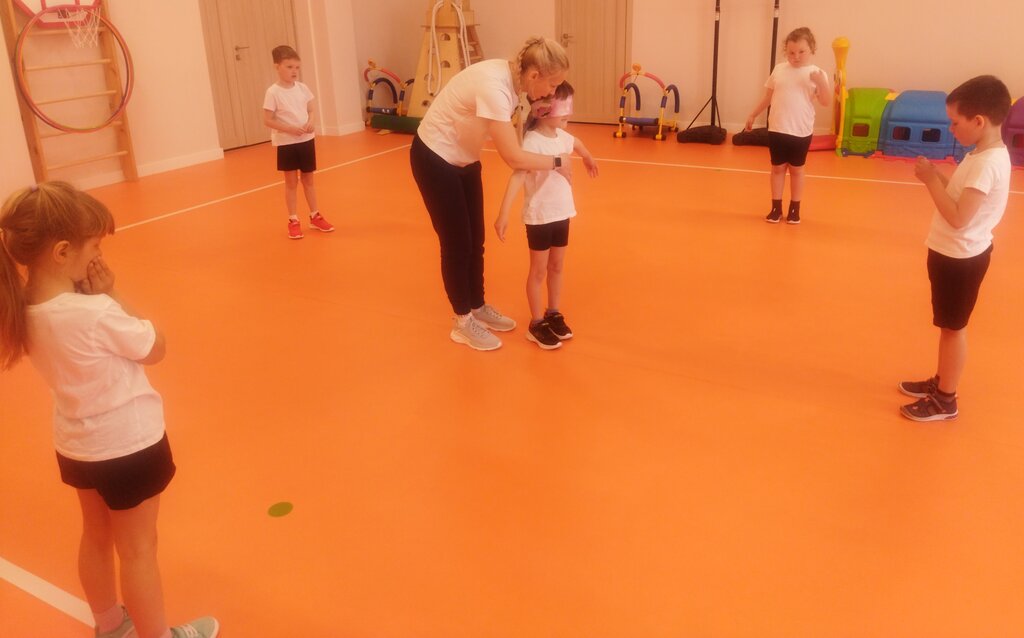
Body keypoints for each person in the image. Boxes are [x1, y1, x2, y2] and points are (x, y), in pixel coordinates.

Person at [0, 182, 219, 638]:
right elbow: (155, 347)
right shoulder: (95, 312)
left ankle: (110, 625)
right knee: (138, 551)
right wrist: (112, 292)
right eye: (95, 246)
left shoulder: (25, 308)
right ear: (62, 252)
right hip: (129, 445)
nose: (100, 255)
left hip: (77, 446)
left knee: (96, 536)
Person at [410, 36, 574, 351]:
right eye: (552, 85)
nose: (552, 93)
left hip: (465, 158)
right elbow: (513, 157)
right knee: (457, 243)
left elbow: (514, 131)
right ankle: (463, 321)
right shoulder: (494, 87)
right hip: (435, 157)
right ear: (534, 75)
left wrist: (536, 110)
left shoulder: (514, 80)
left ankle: (477, 304)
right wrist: (557, 161)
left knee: (476, 240)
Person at [898, 75, 1012, 422]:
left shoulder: (987, 164)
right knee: (948, 327)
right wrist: (939, 177)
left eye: (954, 122)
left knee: (953, 329)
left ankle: (946, 399)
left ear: (978, 121)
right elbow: (960, 198)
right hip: (954, 254)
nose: (950, 128)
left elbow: (959, 217)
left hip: (960, 258)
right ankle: (942, 381)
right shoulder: (981, 154)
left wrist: (929, 181)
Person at [494, 82, 598, 350]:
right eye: (563, 108)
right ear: (542, 109)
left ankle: (553, 312)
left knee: (557, 266)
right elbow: (518, 175)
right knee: (539, 270)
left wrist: (587, 157)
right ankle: (536, 323)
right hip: (539, 216)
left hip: (562, 213)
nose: (568, 113)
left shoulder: (562, 136)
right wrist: (504, 213)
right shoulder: (532, 142)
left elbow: (577, 143)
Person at [744, 27, 831, 224]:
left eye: (801, 51)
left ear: (811, 49)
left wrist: (821, 83)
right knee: (777, 168)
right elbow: (768, 96)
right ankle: (776, 208)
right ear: (786, 51)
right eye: (791, 52)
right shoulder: (779, 70)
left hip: (801, 130)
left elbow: (825, 101)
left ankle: (794, 208)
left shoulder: (817, 73)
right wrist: (753, 114)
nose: (796, 56)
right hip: (777, 128)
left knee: (797, 170)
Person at [263, 44, 334, 240]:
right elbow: (268, 120)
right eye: (289, 67)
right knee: (291, 182)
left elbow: (311, 110)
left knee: (309, 180)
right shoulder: (273, 92)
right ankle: (293, 220)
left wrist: (311, 122)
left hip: (306, 140)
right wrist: (290, 129)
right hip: (287, 143)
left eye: (296, 67)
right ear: (277, 67)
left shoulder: (302, 88)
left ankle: (315, 215)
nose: (294, 71)